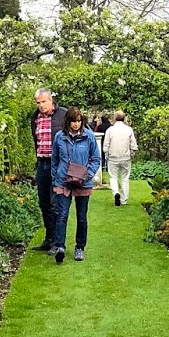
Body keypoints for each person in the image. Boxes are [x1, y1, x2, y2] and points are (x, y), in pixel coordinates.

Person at [50, 107, 101, 263]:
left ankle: (80, 247)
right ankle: (60, 247)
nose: (76, 124)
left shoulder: (89, 136)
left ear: (82, 121)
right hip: (63, 181)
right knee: (62, 215)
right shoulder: (59, 137)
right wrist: (55, 178)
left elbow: (96, 159)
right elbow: (55, 159)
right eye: (73, 121)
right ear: (68, 121)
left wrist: (87, 174)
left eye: (78, 121)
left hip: (83, 182)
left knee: (81, 217)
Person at [29, 88, 68, 252]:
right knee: (44, 202)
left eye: (44, 102)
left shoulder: (63, 115)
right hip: (42, 163)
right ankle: (49, 238)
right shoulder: (35, 117)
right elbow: (35, 139)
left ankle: (57, 242)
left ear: (51, 100)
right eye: (38, 103)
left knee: (55, 203)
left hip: (57, 164)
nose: (41, 105)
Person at [102, 110, 137, 207]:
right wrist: (132, 154)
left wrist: (107, 155)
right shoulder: (129, 130)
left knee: (113, 177)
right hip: (125, 157)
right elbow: (133, 145)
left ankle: (116, 192)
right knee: (125, 178)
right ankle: (124, 199)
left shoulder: (110, 130)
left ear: (114, 118)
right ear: (124, 118)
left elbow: (106, 146)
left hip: (113, 158)